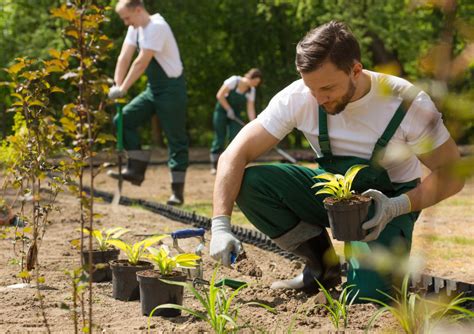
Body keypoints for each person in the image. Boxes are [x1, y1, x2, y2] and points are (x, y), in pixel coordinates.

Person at [208, 21, 465, 301]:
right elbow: (234, 153)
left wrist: (395, 206)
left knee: (366, 297)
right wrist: (220, 226)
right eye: (312, 88)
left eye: (327, 88)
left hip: (387, 205)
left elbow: (452, 173)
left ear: (356, 70)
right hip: (332, 195)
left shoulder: (405, 103)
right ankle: (322, 267)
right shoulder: (299, 97)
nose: (318, 98)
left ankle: (379, 261)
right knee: (252, 184)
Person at [107, 0, 188, 206]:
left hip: (171, 90)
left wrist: (123, 89)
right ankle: (135, 170)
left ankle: (177, 193)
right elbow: (124, 57)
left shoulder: (157, 26)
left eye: (127, 18)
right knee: (122, 120)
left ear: (138, 10)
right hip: (153, 90)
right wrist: (117, 85)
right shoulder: (136, 28)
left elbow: (141, 62)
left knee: (175, 139)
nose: (126, 23)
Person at [209, 69, 262, 174]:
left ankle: (229, 165)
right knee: (220, 137)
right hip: (222, 111)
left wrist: (253, 123)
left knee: (234, 137)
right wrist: (228, 109)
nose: (255, 85)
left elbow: (250, 108)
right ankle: (214, 166)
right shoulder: (234, 81)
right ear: (250, 77)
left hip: (235, 115)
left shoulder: (251, 91)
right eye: (255, 82)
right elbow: (219, 95)